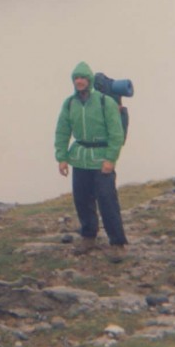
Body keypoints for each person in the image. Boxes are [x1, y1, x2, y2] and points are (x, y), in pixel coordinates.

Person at [54, 61, 128, 262]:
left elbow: (116, 133)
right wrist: (62, 158)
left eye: (83, 78)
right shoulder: (69, 103)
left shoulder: (106, 102)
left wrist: (111, 158)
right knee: (82, 200)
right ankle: (88, 237)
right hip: (80, 159)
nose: (79, 81)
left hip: (102, 159)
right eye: (76, 78)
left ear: (90, 80)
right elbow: (62, 130)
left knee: (107, 201)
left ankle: (118, 243)